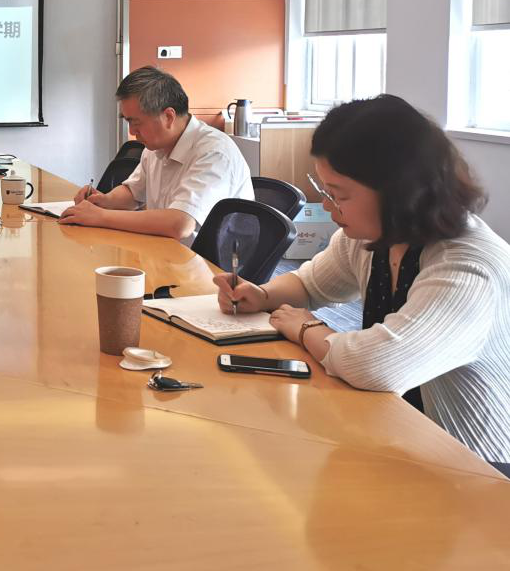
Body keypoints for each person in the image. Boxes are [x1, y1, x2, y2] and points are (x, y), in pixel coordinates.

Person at [214, 95, 510, 472]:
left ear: (398, 192)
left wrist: (306, 328)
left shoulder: (469, 268)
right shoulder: (374, 236)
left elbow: (377, 365)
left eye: (338, 195)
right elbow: (311, 284)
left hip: (477, 470)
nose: (326, 206)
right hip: (401, 438)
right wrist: (261, 295)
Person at [63, 66, 253, 241]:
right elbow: (133, 193)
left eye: (136, 123)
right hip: (166, 251)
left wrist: (101, 216)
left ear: (168, 117)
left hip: (207, 263)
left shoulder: (214, 153)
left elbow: (180, 224)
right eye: (129, 122)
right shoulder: (155, 147)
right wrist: (103, 201)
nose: (132, 131)